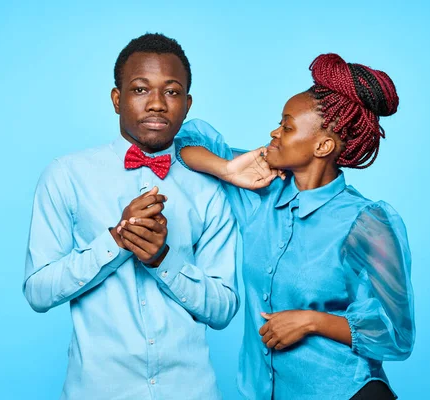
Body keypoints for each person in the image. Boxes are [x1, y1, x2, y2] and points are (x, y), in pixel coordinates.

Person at [177, 53, 415, 399]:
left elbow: (396, 334)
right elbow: (184, 139)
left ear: (323, 145)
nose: (274, 132)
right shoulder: (258, 193)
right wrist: (226, 170)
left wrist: (311, 321)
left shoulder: (367, 222)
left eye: (286, 127)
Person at [23, 33, 239, 400]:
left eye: (171, 92)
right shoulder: (66, 175)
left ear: (187, 105)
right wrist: (116, 241)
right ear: (116, 98)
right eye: (140, 90)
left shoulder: (210, 188)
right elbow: (38, 291)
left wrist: (162, 260)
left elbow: (223, 309)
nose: (156, 104)